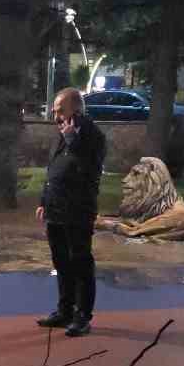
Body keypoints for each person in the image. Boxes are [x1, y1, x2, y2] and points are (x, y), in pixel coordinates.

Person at [35, 88, 107, 337]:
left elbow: (90, 171)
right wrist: (44, 201)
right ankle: (64, 310)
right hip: (56, 208)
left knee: (80, 262)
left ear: (75, 111)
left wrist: (73, 142)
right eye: (55, 110)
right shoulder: (61, 133)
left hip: (78, 210)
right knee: (61, 262)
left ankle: (82, 316)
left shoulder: (93, 136)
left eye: (60, 110)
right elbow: (53, 169)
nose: (55, 115)